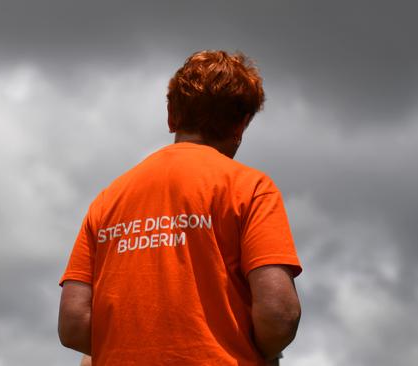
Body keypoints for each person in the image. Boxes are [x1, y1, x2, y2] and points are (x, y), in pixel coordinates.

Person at [58, 50, 302, 365]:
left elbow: (74, 323)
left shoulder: (108, 199)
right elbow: (279, 315)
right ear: (241, 124)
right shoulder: (251, 188)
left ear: (171, 116)